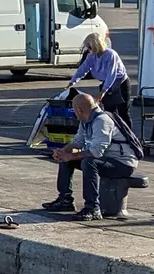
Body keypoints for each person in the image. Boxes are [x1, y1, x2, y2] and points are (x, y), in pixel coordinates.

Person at [44, 92, 133, 220]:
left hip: (122, 163)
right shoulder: (85, 119)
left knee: (89, 162)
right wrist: (63, 152)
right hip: (106, 159)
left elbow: (96, 152)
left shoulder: (102, 120)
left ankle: (92, 208)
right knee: (67, 158)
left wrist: (71, 156)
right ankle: (65, 200)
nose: (74, 113)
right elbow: (78, 142)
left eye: (74, 110)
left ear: (79, 110)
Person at [69, 32, 130, 118]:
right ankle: (112, 130)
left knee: (123, 112)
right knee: (109, 112)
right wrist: (73, 81)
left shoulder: (111, 55)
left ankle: (126, 131)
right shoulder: (91, 56)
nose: (88, 50)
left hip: (120, 83)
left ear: (95, 45)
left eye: (89, 47)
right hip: (106, 83)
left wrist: (103, 91)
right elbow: (83, 69)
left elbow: (111, 74)